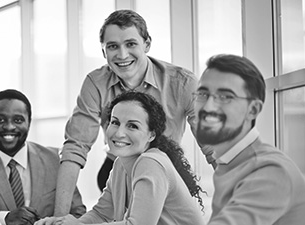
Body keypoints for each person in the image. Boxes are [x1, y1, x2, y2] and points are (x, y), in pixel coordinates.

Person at [54, 9, 214, 216]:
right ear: (104, 52)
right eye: (113, 46)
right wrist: (58, 218)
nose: (122, 55)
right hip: (118, 168)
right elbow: (75, 146)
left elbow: (213, 146)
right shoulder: (95, 83)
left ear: (147, 44)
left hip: (165, 171)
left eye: (130, 44)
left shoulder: (182, 83)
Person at [36, 91, 205, 225]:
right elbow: (101, 213)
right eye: (115, 122)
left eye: (132, 126)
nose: (119, 133)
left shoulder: (151, 163)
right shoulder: (120, 164)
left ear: (151, 135)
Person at [194, 54, 305, 224]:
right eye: (203, 94)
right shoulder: (230, 162)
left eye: (226, 97)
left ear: (253, 109)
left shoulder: (270, 172)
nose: (208, 106)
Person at [0, 89, 86, 225]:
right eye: (0, 119)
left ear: (29, 122)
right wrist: (4, 218)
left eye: (18, 120)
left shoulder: (56, 160)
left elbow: (78, 214)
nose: (9, 126)